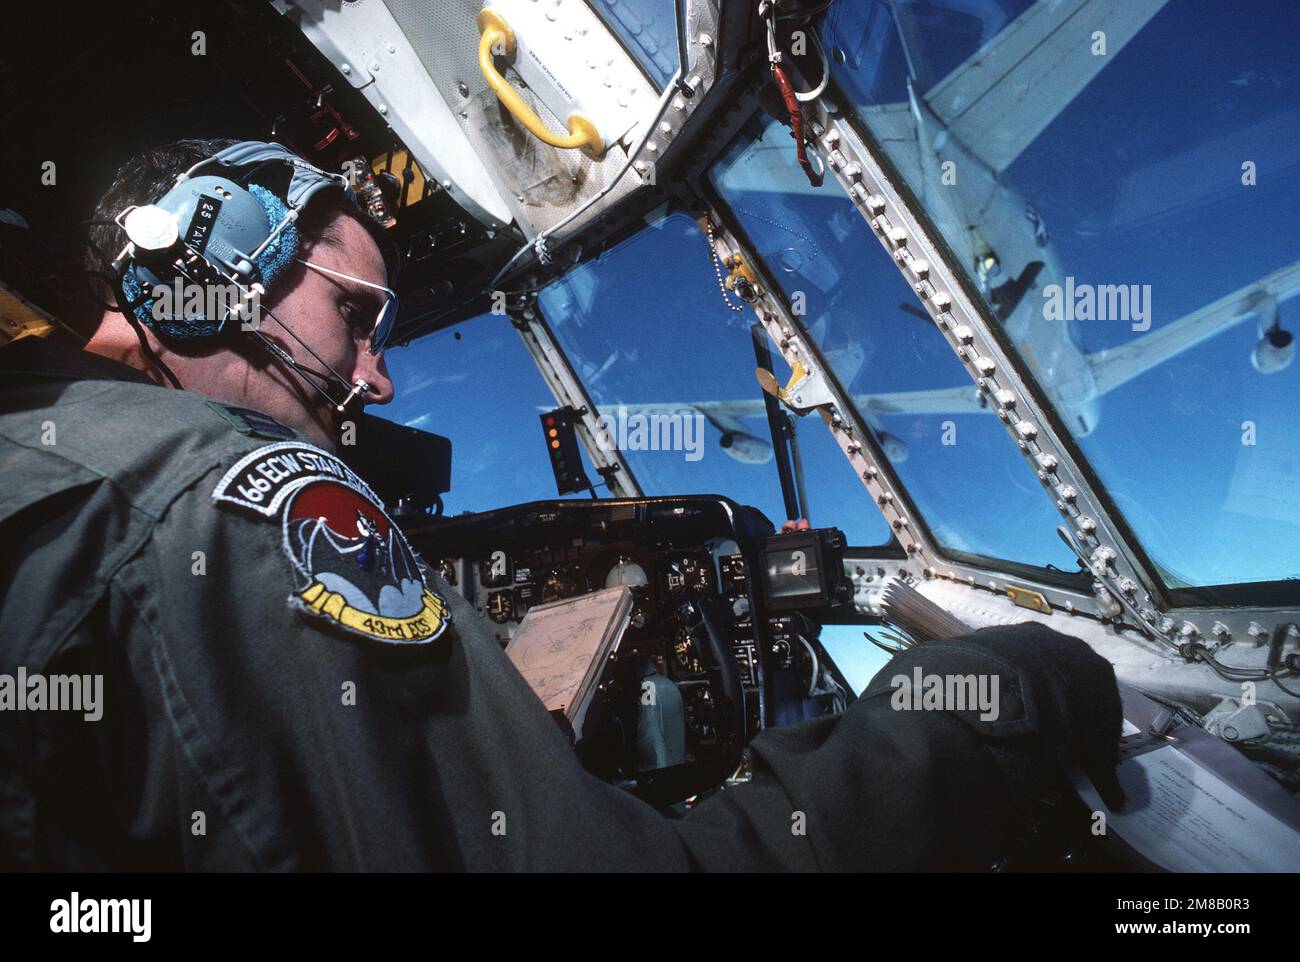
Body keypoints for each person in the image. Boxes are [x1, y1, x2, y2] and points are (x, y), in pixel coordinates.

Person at [0, 138, 1125, 871]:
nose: (378, 378)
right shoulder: (219, 504)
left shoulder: (52, 461)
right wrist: (975, 712)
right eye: (356, 315)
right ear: (209, 277)